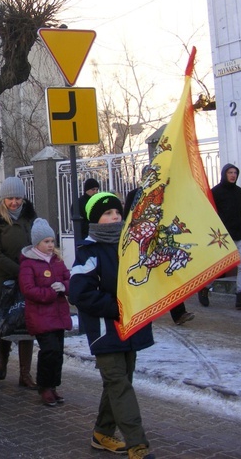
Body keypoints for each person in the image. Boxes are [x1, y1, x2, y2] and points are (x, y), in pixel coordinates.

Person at [69, 192, 155, 459]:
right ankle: (137, 444)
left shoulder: (132, 247)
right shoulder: (89, 252)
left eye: (117, 213)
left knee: (119, 382)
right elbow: (79, 293)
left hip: (132, 327)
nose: (115, 218)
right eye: (108, 214)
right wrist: (116, 307)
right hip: (107, 331)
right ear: (96, 219)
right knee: (119, 384)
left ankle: (102, 434)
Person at [0, 176, 38, 389]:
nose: (14, 203)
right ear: (3, 199)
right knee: (5, 324)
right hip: (3, 279)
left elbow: (39, 240)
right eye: (10, 199)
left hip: (28, 277)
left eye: (18, 198)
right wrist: (20, 269)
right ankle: (2, 359)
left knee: (28, 325)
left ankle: (25, 374)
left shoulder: (30, 216)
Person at [124, 166, 195, 326]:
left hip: (159, 243)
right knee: (142, 277)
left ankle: (179, 314)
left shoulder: (163, 194)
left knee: (167, 277)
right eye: (148, 176)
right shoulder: (134, 195)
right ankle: (135, 313)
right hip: (140, 245)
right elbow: (127, 220)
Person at [19, 218, 72, 407]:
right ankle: (44, 386)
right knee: (49, 350)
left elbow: (69, 279)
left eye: (52, 241)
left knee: (57, 352)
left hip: (58, 315)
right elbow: (28, 289)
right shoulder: (29, 263)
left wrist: (64, 286)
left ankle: (53, 385)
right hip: (40, 316)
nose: (50, 245)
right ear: (37, 243)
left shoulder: (57, 261)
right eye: (46, 242)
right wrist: (51, 292)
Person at [208, 163, 241, 311]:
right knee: (218, 266)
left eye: (235, 173)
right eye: (230, 172)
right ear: (224, 174)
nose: (233, 175)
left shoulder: (239, 191)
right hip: (223, 236)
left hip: (239, 234)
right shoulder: (216, 192)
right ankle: (205, 287)